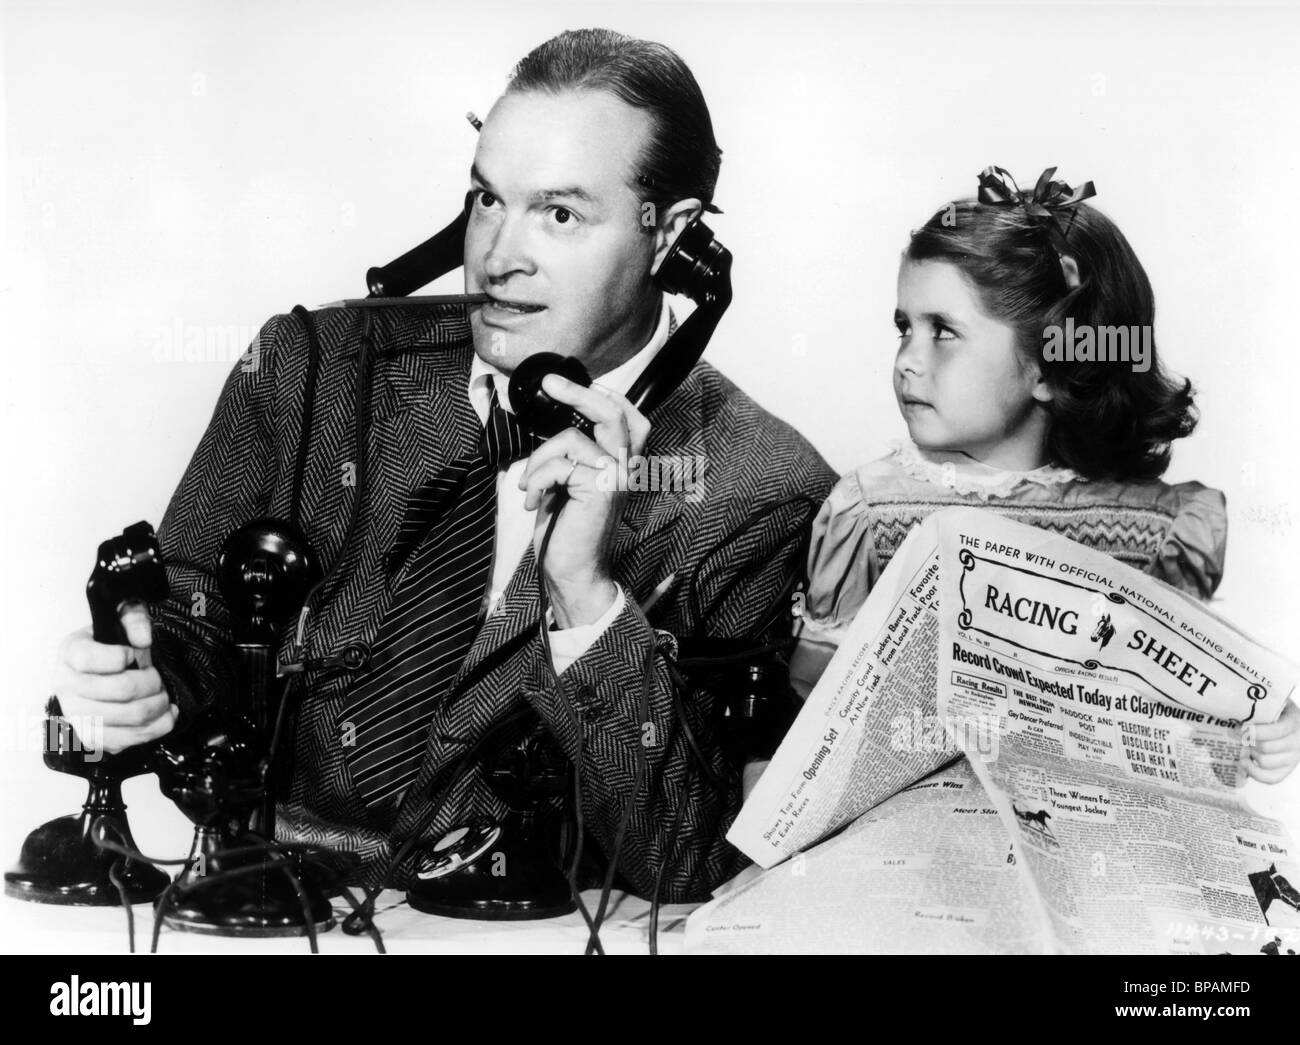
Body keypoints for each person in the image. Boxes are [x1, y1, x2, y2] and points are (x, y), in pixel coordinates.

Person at [51, 28, 836, 900]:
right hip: (261, 904)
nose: (499, 258)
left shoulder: (761, 490)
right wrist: (143, 675)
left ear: (671, 238)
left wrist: (585, 591)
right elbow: (191, 605)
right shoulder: (311, 368)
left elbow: (694, 859)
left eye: (561, 213)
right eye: (488, 200)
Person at [790, 166, 1300, 786]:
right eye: (905, 328)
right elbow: (815, 713)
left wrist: (1266, 730)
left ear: (1047, 370)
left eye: (943, 332)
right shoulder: (870, 514)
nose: (907, 362)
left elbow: (1197, 718)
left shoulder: (1154, 529)